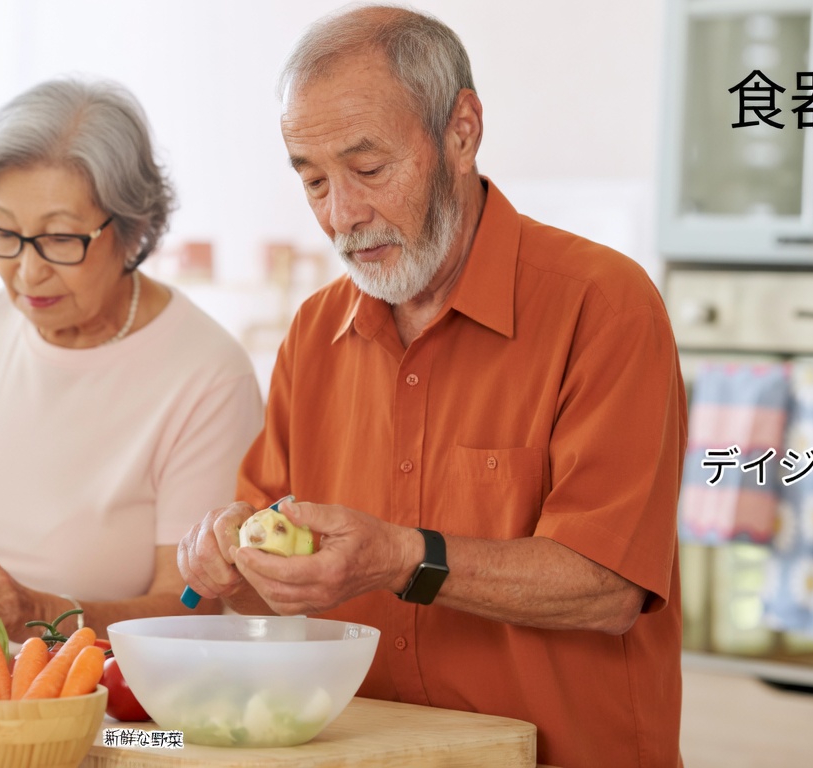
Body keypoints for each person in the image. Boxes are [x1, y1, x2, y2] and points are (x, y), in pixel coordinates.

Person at [177, 7, 685, 767]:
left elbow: (608, 587)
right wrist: (227, 560)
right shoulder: (315, 333)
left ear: (462, 130)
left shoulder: (602, 306)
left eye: (369, 169)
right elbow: (276, 584)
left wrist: (402, 558)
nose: (342, 215)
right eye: (314, 181)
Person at [0, 78, 263, 641]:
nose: (27, 271)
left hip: (119, 721)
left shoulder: (208, 373)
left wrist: (42, 612)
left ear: (133, 228)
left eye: (61, 239)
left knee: (137, 741)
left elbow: (192, 608)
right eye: (3, 233)